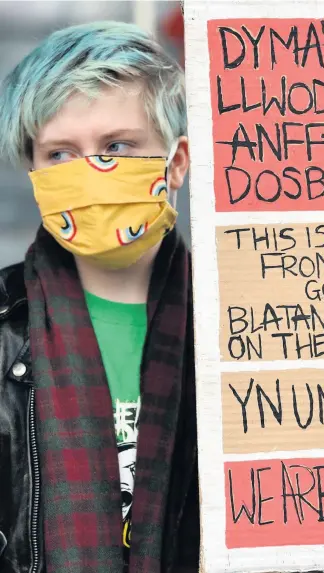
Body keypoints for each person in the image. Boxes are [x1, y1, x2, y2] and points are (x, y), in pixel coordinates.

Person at [0, 21, 199, 573]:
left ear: (176, 162)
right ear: (36, 172)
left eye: (116, 145)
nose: (92, 171)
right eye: (61, 154)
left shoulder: (242, 326)